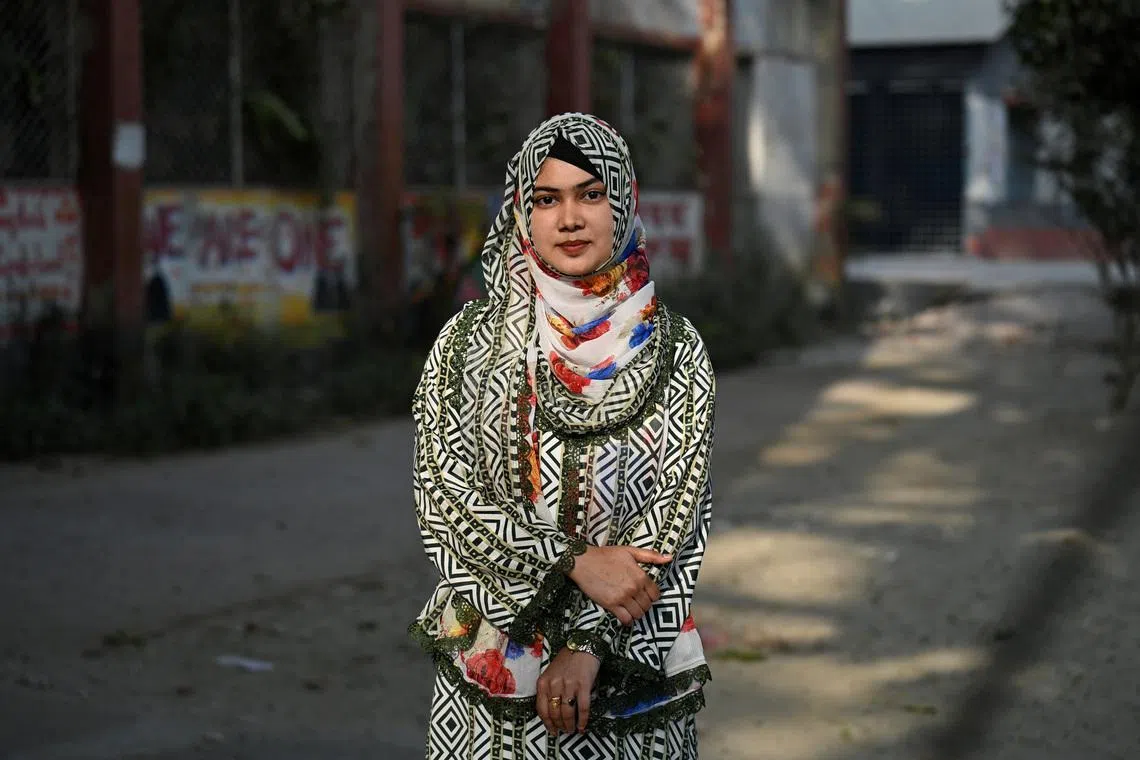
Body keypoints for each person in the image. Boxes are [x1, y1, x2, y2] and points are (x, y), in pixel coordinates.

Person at [410, 112, 716, 759]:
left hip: (634, 662)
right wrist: (569, 561)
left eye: (590, 194)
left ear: (622, 201)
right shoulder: (468, 346)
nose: (569, 218)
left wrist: (586, 646)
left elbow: (674, 522)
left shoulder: (676, 351)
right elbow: (446, 496)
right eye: (547, 199)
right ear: (523, 211)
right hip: (493, 671)